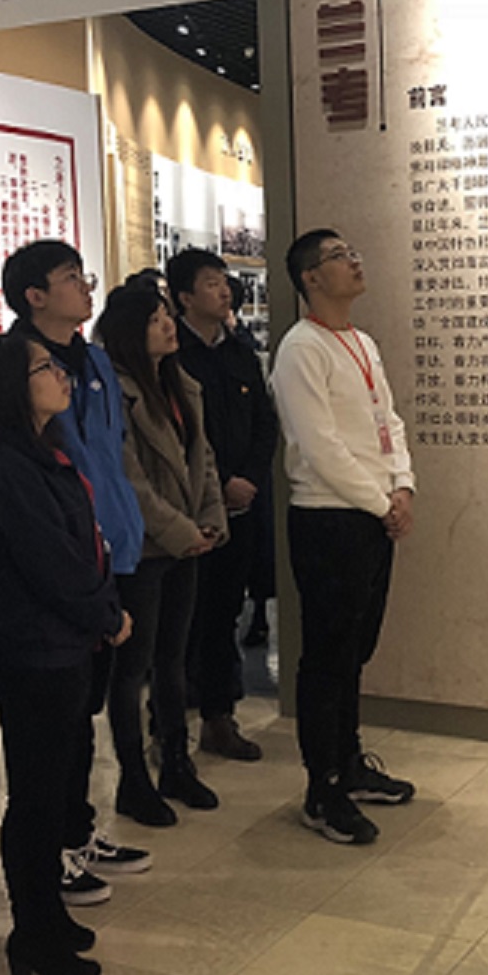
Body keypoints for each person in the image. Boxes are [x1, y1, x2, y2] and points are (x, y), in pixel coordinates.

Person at [0, 333, 134, 975]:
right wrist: (105, 616)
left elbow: (83, 546)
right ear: (12, 386)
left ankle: (49, 918)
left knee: (54, 790)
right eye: (43, 367)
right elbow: (51, 565)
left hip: (63, 645)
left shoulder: (43, 451)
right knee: (34, 798)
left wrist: (102, 608)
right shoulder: (5, 468)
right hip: (35, 650)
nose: (61, 375)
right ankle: (33, 933)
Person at [0, 240, 151, 904]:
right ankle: (53, 850)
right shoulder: (15, 365)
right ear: (34, 296)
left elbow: (113, 457)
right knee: (52, 727)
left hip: (114, 547)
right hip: (64, 557)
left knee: (85, 711)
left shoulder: (94, 360)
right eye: (69, 278)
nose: (85, 287)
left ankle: (79, 831)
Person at [272, 229, 417, 846]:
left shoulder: (361, 342)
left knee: (355, 649)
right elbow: (319, 446)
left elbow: (389, 421)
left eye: (353, 252)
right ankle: (322, 788)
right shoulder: (300, 349)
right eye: (338, 257)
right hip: (329, 517)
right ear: (310, 277)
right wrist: (382, 502)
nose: (354, 261)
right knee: (326, 656)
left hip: (372, 513)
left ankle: (350, 763)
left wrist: (403, 485)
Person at [96, 283, 228, 824]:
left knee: (173, 660)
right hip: (144, 548)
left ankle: (176, 759)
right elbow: (127, 481)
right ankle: (133, 778)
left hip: (185, 544)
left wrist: (211, 520)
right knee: (132, 669)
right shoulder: (115, 392)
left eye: (167, 314)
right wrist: (181, 531)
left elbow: (205, 459)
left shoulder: (179, 383)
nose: (168, 325)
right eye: (155, 319)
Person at [169, 249, 277, 761]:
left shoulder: (238, 352)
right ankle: (168, 731)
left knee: (224, 615)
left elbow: (265, 423)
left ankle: (219, 719)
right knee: (181, 623)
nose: (224, 290)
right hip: (190, 512)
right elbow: (182, 438)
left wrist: (249, 478)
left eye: (223, 281)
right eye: (210, 283)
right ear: (184, 297)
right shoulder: (171, 357)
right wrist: (221, 483)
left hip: (242, 508)